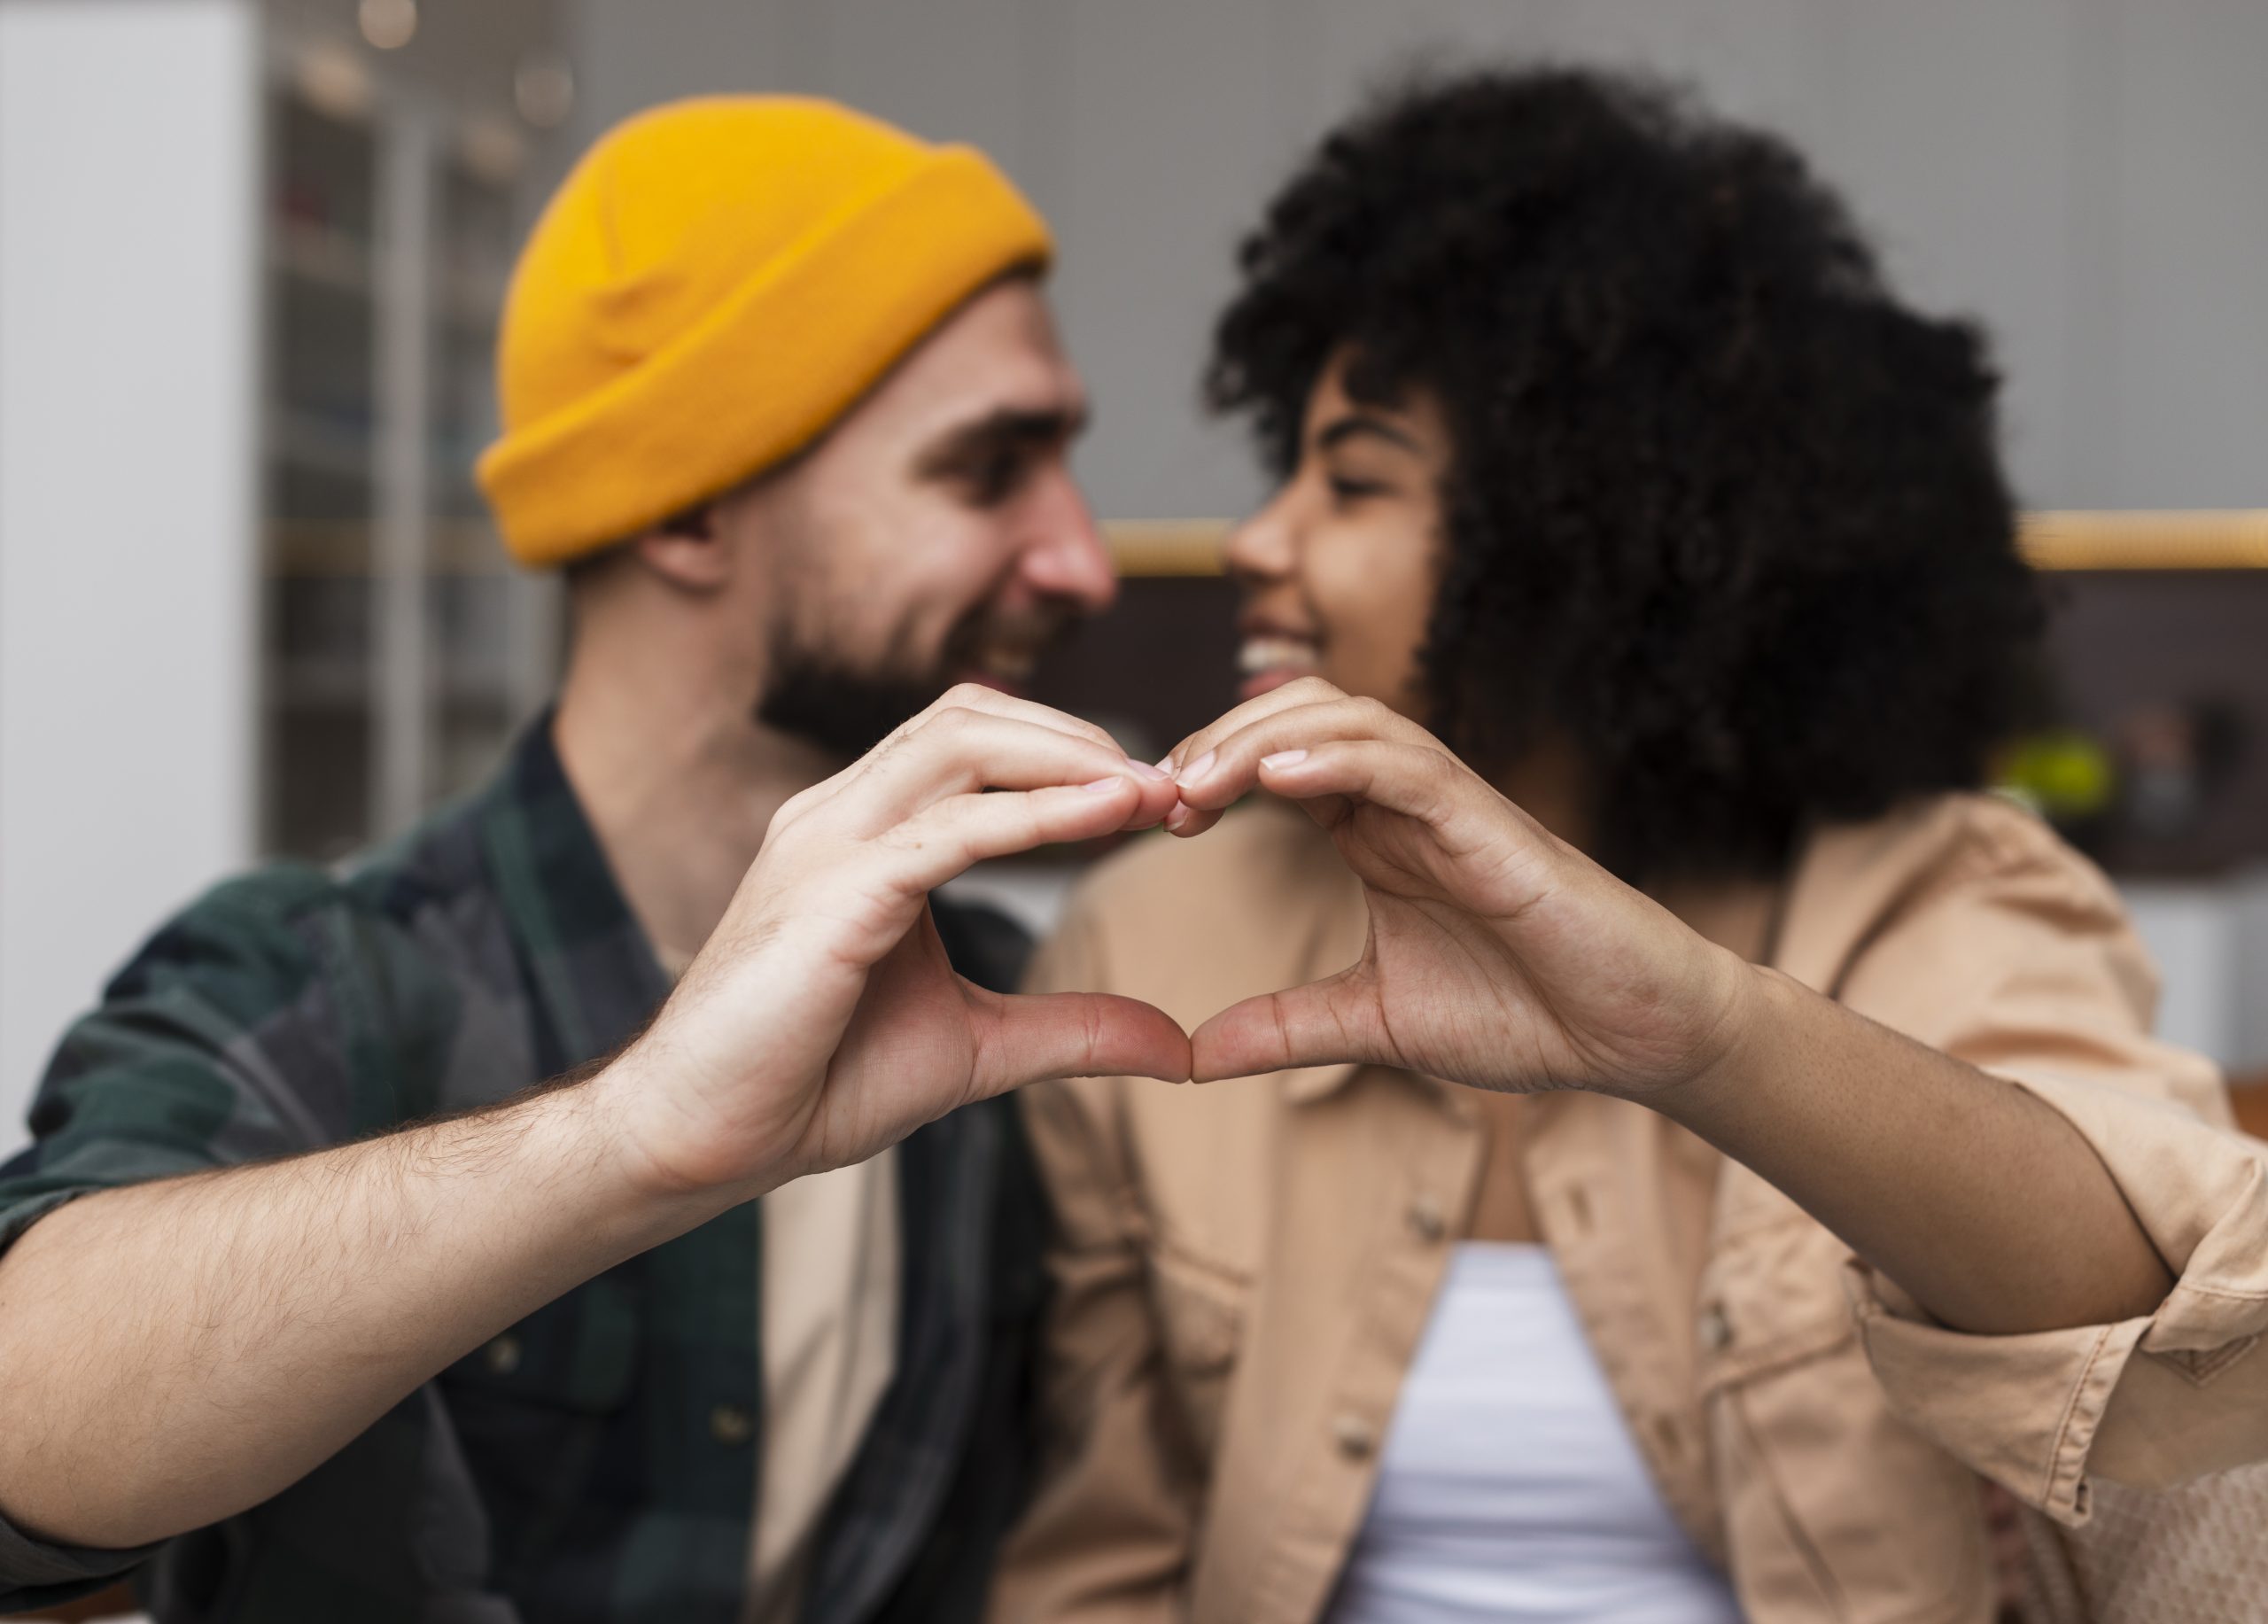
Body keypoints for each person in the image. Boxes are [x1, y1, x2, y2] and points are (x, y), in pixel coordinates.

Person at [989, 68, 2268, 1623]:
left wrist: (1705, 1034)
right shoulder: (1145, 949)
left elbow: (2177, 1344)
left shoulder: (1930, 894)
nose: (1256, 539)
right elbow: (1099, 1564)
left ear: (1572, 533)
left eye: (1354, 478)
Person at [0, 97, 1192, 1622]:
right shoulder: (324, 972)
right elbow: (22, 1405)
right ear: (692, 508)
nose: (1082, 560)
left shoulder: (1007, 1007)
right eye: (984, 471)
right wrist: (630, 1132)